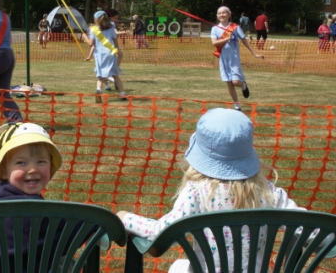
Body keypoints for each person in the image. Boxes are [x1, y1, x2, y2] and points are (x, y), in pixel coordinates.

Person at [117, 108, 304, 273]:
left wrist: (124, 217)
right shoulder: (270, 194)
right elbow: (314, 231)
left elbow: (161, 235)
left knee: (177, 267)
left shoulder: (196, 193)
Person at [0, 122, 69, 273]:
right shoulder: (39, 213)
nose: (33, 169)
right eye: (21, 162)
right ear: (3, 171)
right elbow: (82, 225)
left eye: (41, 161)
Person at [210, 6, 263, 111]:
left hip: (234, 59)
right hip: (223, 59)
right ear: (217, 16)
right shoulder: (215, 29)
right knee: (229, 83)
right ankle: (237, 105)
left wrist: (254, 54)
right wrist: (227, 38)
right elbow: (214, 43)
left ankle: (243, 85)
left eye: (224, 13)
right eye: (219, 13)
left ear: (229, 14)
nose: (221, 15)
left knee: (235, 82)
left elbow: (244, 41)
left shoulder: (235, 27)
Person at [82, 11, 126, 102]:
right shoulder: (111, 29)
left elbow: (91, 44)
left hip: (100, 55)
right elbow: (116, 43)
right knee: (115, 75)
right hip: (110, 54)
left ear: (96, 19)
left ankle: (99, 90)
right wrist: (117, 51)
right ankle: (122, 94)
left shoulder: (93, 30)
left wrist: (85, 37)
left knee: (101, 76)